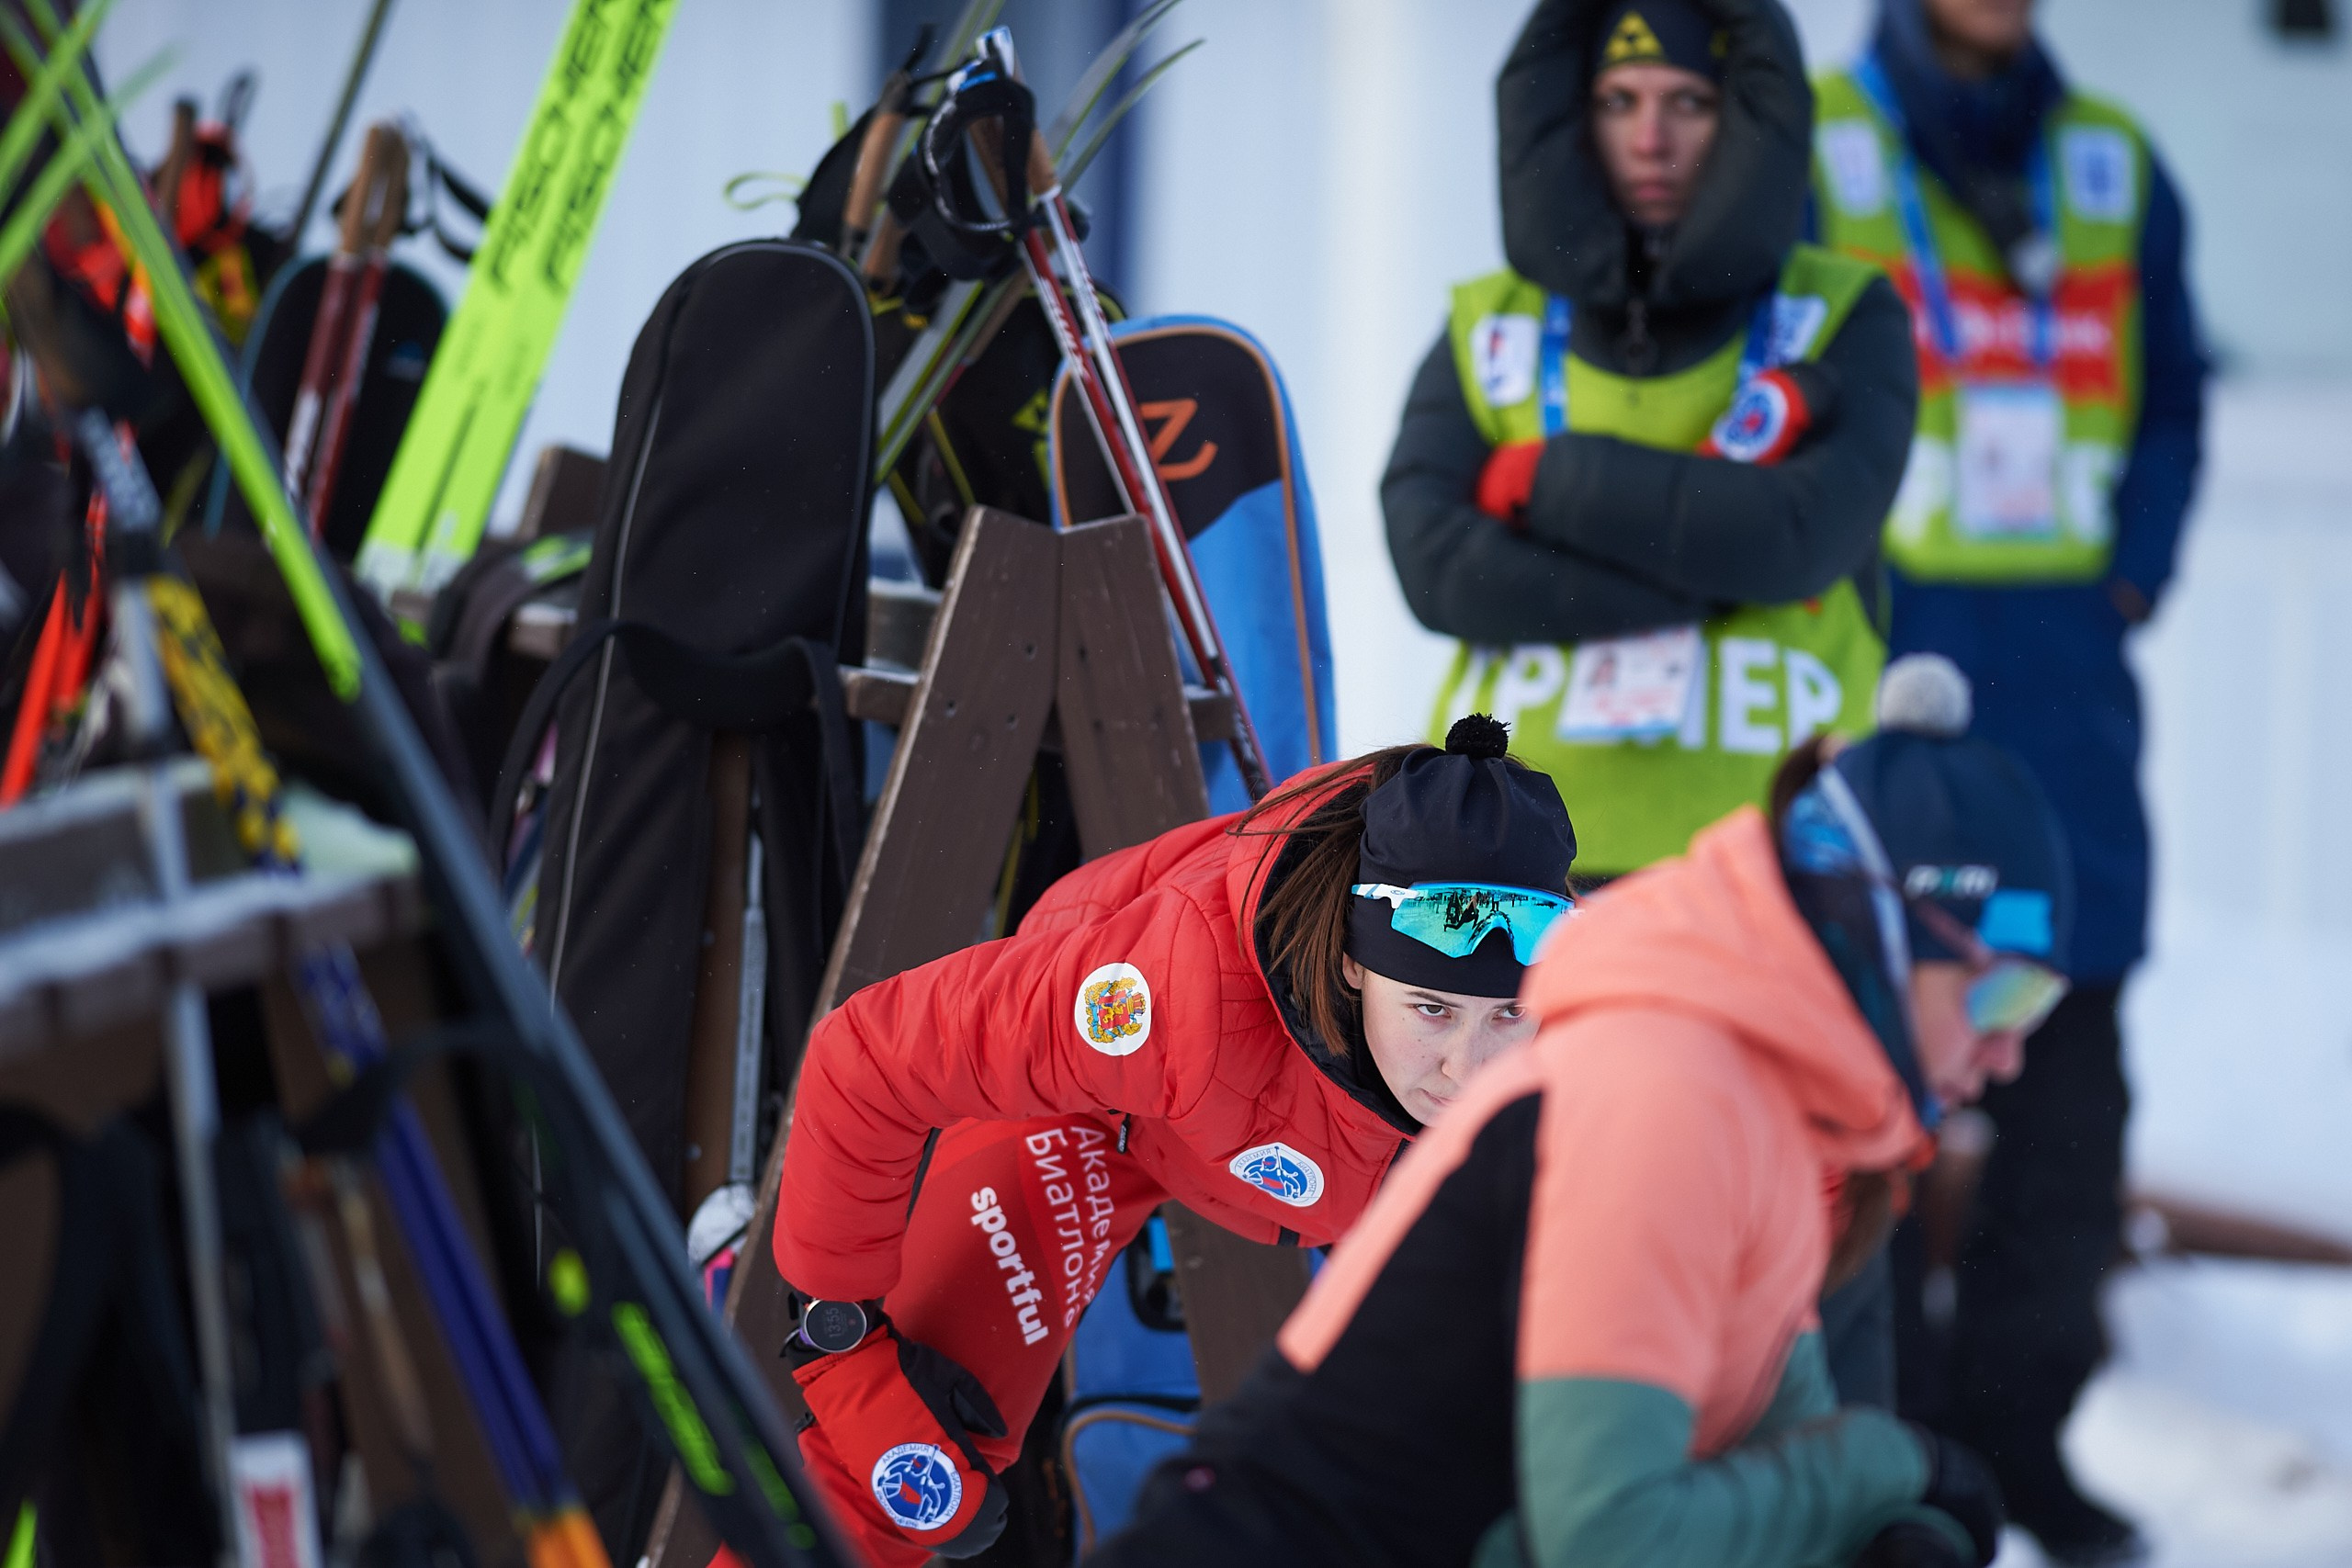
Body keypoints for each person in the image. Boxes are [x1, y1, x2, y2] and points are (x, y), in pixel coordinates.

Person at [1091, 654, 2073, 1568]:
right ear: (1880, 936)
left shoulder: (1768, 1114)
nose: (2008, 1052)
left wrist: (1877, 1510)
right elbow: (1608, 1541)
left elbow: (1770, 1438)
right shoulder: (1663, 1096)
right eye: (1998, 996)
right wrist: (1885, 1470)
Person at [755, 717, 1577, 1564]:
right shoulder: (1168, 998)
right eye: (1432, 1010)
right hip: (1102, 1115)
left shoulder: (1576, 1050)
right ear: (1352, 964)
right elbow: (867, 1056)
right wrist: (839, 1322)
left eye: (1506, 1015)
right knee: (919, 1452)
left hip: (1297, 1152)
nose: (1463, 1069)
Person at [1809, 2, 2205, 1559]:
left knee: (2075, 1058)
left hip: (2065, 673)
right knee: (1866, 1059)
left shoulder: (2114, 163)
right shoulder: (1816, 147)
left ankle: (2024, 1435)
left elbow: (2173, 393)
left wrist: (2134, 578)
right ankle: (1895, 1446)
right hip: (1880, 650)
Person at [1385, 0, 1918, 884]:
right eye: (1618, 100)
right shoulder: (1491, 325)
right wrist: (1709, 565)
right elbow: (1437, 568)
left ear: (1747, 114)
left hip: (1770, 874)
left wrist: (1548, 484)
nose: (1651, 138)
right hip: (1513, 879)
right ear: (1569, 113)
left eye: (1691, 103)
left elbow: (1796, 538)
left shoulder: (1843, 316)